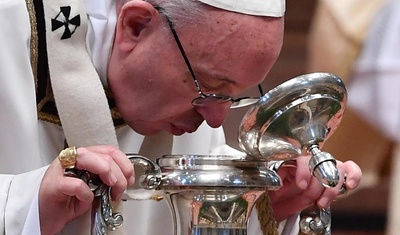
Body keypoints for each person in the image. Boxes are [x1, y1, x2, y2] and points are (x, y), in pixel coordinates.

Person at [0, 0, 362, 235]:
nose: (216, 121)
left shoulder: (189, 76)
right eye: (209, 86)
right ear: (137, 26)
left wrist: (266, 204)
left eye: (234, 96)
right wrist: (24, 206)